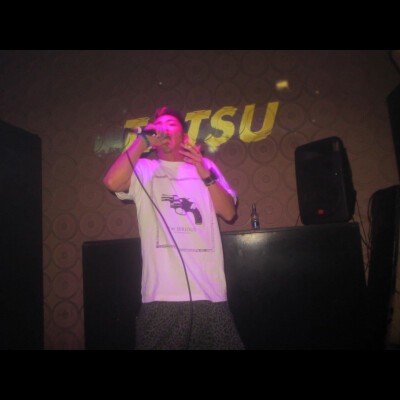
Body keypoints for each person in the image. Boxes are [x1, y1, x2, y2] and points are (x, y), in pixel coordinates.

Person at [103, 106, 244, 350]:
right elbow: (112, 182)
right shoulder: (143, 168)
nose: (163, 128)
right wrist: (142, 140)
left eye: (170, 124)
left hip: (210, 294)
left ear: (185, 137)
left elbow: (229, 212)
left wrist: (204, 172)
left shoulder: (205, 165)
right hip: (161, 296)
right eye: (159, 125)